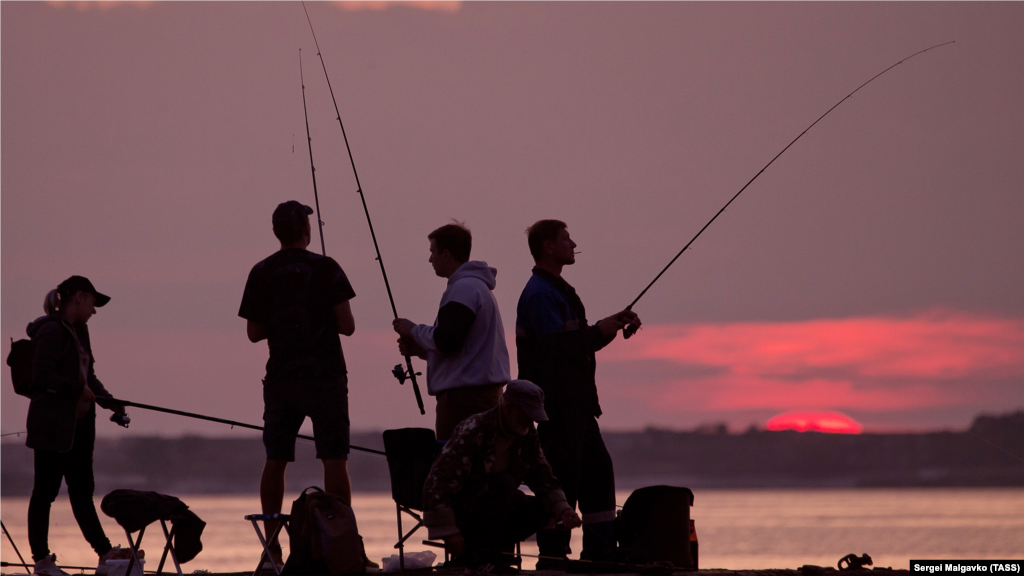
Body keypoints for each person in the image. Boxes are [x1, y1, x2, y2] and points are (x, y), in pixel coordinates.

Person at [238, 200, 357, 569]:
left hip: (282, 380)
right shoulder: (327, 268)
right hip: (326, 378)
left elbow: (254, 333)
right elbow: (347, 326)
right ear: (306, 231)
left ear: (276, 232)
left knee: (276, 459)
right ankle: (342, 545)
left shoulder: (261, 272)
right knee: (334, 459)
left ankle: (272, 548)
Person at [515, 220, 641, 563]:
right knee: (562, 483)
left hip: (580, 408)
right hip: (558, 409)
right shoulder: (540, 294)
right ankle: (553, 560)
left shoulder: (557, 291)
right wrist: (597, 330)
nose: (573, 244)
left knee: (599, 477)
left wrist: (610, 325)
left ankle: (598, 557)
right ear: (548, 247)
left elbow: (578, 342)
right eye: (566, 239)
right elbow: (557, 348)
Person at [26, 276, 129, 576]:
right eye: (93, 303)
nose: (95, 311)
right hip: (52, 428)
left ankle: (104, 553)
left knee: (82, 492)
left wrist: (111, 402)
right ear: (80, 298)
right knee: (44, 493)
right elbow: (40, 377)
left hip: (80, 428)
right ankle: (42, 562)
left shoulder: (80, 331)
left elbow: (89, 380)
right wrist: (75, 390)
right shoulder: (50, 331)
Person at [423, 380, 582, 570]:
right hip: (465, 511)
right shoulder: (474, 430)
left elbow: (543, 477)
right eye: (526, 416)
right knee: (504, 484)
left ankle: (495, 557)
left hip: (499, 509)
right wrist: (449, 532)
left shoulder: (527, 434)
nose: (530, 422)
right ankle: (480, 557)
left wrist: (564, 510)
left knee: (543, 507)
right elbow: (438, 483)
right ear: (508, 408)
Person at [393, 222, 510, 441]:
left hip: (464, 403)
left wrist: (414, 330)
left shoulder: (463, 289)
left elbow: (447, 341)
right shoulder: (475, 288)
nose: (430, 259)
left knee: (457, 470)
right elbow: (462, 348)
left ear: (446, 254)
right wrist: (420, 349)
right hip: (484, 398)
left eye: (432, 252)